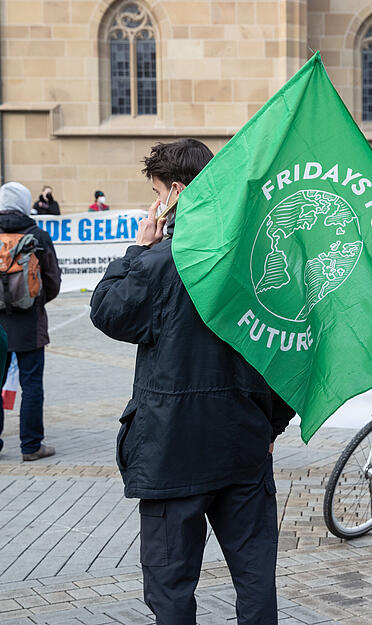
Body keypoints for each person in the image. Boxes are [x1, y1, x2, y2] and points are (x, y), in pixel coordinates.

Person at [90, 139, 295, 624]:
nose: (154, 202)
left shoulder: (160, 261)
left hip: (170, 448)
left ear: (176, 194)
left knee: (171, 586)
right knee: (254, 577)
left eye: (158, 192)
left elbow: (106, 310)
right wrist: (271, 427)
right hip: (242, 442)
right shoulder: (259, 258)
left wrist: (136, 250)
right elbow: (290, 351)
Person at [0, 182, 61, 461]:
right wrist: (35, 302)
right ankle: (31, 446)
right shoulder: (37, 235)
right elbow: (52, 280)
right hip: (30, 323)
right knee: (32, 384)